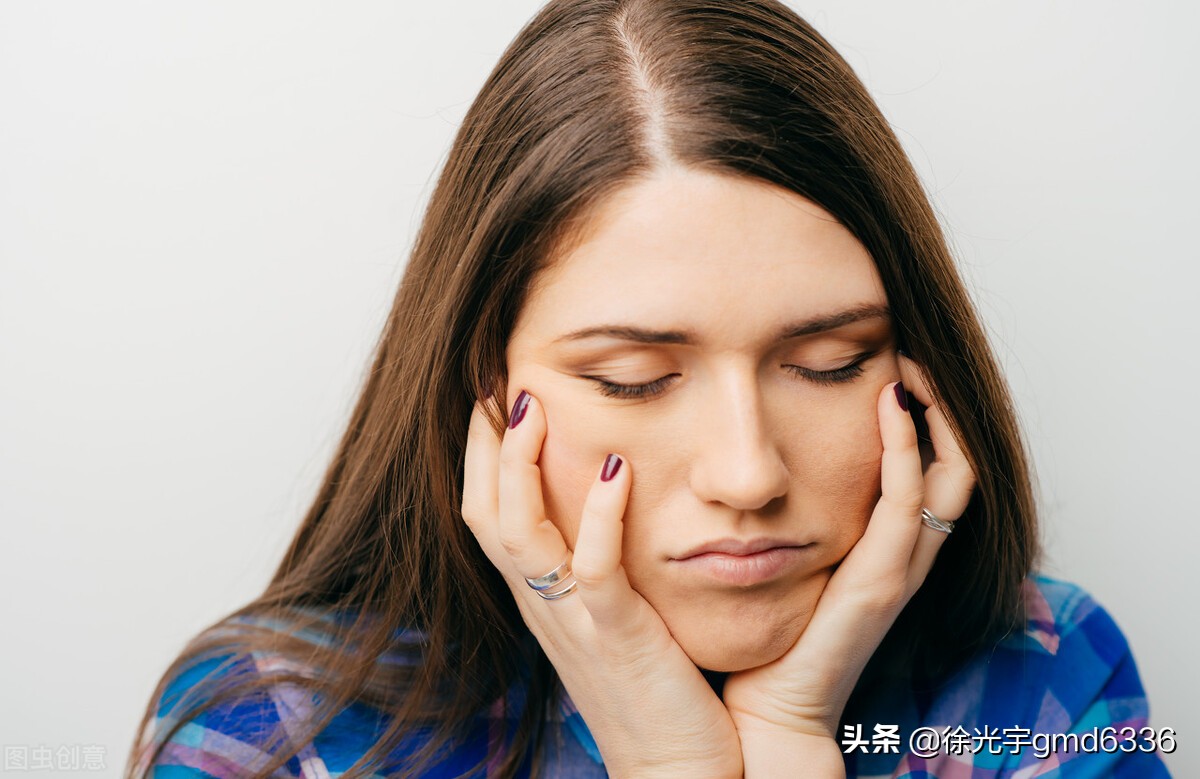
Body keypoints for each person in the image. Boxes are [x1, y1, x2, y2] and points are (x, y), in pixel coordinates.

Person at [125, 1, 1171, 777]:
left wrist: (791, 736)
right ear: (484, 389)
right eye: (631, 380)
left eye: (829, 363)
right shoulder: (278, 725)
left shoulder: (1042, 678)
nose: (748, 470)